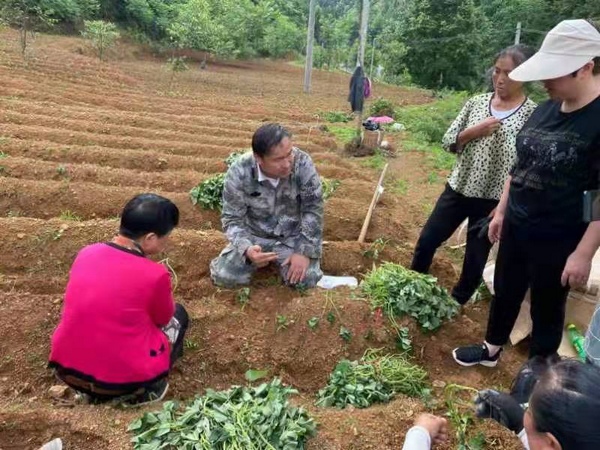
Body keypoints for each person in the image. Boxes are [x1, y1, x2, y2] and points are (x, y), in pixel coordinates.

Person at [453, 19, 600, 367]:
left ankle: (536, 375)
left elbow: (598, 194)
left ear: (585, 68)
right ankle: (491, 349)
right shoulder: (546, 110)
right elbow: (520, 167)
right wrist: (501, 212)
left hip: (560, 235)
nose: (543, 81)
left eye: (553, 73)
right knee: (506, 290)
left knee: (548, 306)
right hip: (518, 222)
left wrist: (584, 251)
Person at [410, 45, 537, 305]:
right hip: (458, 189)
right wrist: (472, 132)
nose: (500, 79)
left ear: (524, 76)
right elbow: (448, 141)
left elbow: (527, 165)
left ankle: (456, 303)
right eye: (497, 71)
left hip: (493, 202)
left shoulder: (532, 115)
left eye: (509, 73)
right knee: (427, 241)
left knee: (475, 259)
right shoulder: (477, 104)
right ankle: (412, 285)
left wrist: (505, 207)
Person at [48, 194, 189, 405]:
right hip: (118, 383)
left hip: (68, 372)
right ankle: (149, 389)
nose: (166, 243)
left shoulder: (87, 252)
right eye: (165, 238)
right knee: (179, 315)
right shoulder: (155, 274)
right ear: (150, 238)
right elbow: (162, 318)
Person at [210, 123, 324, 289]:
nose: (286, 164)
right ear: (258, 158)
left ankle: (295, 261)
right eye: (278, 159)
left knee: (306, 280)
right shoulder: (239, 172)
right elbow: (232, 219)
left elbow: (313, 209)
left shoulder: (302, 163)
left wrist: (304, 251)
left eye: (289, 154)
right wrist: (247, 248)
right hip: (255, 237)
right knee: (224, 276)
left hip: (292, 237)